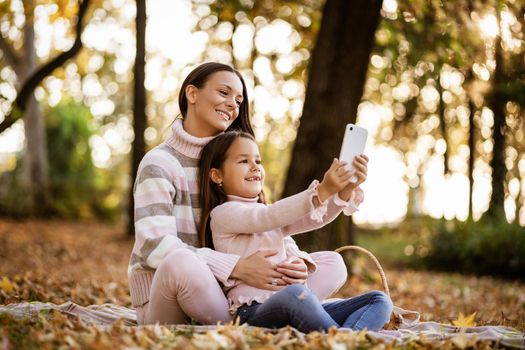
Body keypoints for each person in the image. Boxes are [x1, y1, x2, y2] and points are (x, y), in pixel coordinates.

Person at [128, 62, 348, 325]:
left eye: (239, 99)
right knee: (179, 261)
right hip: (168, 296)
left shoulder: (236, 159)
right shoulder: (160, 163)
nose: (233, 104)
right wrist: (236, 267)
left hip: (228, 298)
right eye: (224, 93)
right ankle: (289, 314)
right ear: (192, 94)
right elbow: (156, 247)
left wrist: (293, 260)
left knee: (331, 263)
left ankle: (270, 317)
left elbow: (264, 220)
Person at [198, 130, 393, 333]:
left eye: (258, 160)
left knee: (379, 300)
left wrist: (344, 191)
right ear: (217, 175)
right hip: (253, 312)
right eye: (243, 161)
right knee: (297, 295)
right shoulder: (223, 214)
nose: (255, 166)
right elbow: (268, 217)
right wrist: (322, 191)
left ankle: (343, 339)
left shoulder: (270, 213)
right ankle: (339, 338)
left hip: (298, 302)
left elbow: (314, 219)